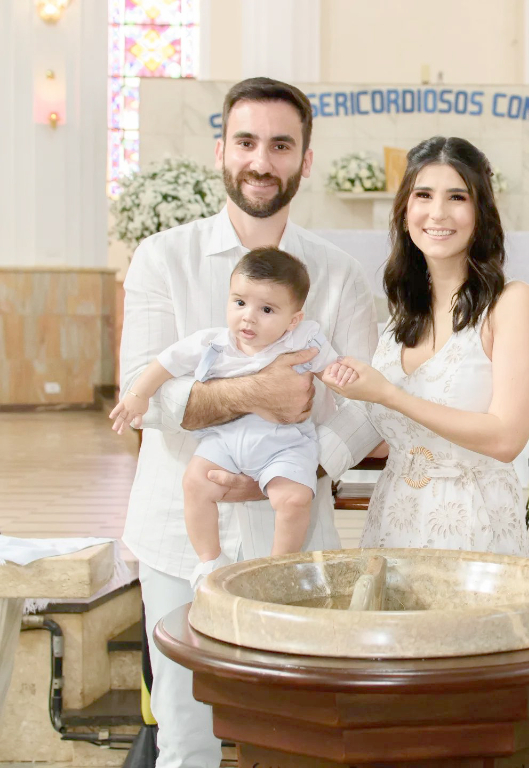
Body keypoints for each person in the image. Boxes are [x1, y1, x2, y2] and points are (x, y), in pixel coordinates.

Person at [119, 77, 377, 768]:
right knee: (185, 737)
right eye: (246, 142)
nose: (261, 160)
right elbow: (145, 391)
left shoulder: (342, 272)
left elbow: (365, 403)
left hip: (292, 540)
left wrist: (295, 468)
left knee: (297, 736)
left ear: (306, 160)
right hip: (179, 539)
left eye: (280, 145)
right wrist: (258, 392)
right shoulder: (161, 258)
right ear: (221, 151)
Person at [322, 136, 529, 555]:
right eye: (423, 195)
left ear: (481, 211)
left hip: (472, 522)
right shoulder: (403, 314)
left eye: (457, 196)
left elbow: (506, 438)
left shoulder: (513, 303)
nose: (438, 212)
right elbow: (383, 427)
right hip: (393, 517)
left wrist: (388, 394)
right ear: (405, 209)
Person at [112, 248, 352, 583]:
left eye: (266, 309)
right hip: (225, 438)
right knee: (195, 483)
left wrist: (339, 377)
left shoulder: (302, 340)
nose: (248, 317)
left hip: (285, 443)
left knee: (295, 499)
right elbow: (165, 363)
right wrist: (138, 395)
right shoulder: (214, 344)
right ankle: (209, 559)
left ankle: (279, 567)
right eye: (239, 303)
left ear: (293, 319)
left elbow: (330, 369)